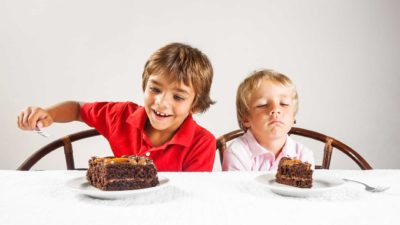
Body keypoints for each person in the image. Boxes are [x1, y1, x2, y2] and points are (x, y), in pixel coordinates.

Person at [17, 42, 216, 172]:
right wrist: (49, 114)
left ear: (195, 105)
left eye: (178, 97)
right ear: (144, 85)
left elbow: (191, 197)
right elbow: (77, 109)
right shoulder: (120, 116)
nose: (162, 102)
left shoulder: (202, 143)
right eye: (155, 89)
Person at [222, 69, 314, 171]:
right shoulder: (237, 153)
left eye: (284, 104)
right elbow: (238, 187)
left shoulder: (303, 155)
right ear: (245, 119)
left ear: (293, 116)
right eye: (263, 105)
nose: (275, 109)